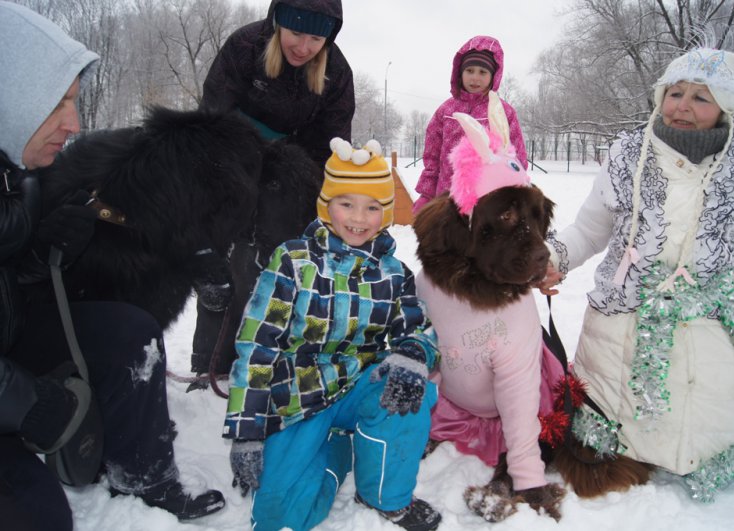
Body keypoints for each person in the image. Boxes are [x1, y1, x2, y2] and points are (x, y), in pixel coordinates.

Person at [0, 3, 224, 528]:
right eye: (58, 102)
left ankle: (144, 477)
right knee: (36, 516)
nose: (74, 124)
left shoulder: (16, 177)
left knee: (128, 332)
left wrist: (34, 258)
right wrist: (27, 402)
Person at [541, 47, 734, 502]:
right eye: (675, 92)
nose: (683, 105)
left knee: (698, 438)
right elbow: (588, 230)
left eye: (702, 97)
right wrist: (551, 260)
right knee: (602, 436)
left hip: (708, 338)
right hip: (617, 331)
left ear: (725, 106)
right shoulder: (626, 154)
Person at [224, 138, 441, 531]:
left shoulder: (394, 274)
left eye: (373, 207)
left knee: (411, 388)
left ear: (386, 214)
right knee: (281, 516)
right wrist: (247, 430)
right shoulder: (292, 262)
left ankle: (384, 496)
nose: (359, 218)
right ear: (326, 206)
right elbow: (258, 345)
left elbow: (418, 328)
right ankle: (337, 450)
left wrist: (414, 352)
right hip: (299, 397)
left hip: (361, 386)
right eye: (346, 203)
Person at [190, 0, 355, 384]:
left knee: (276, 266)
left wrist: (297, 196)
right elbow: (213, 115)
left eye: (316, 38)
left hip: (292, 177)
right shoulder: (244, 47)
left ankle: (270, 357)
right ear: (278, 22)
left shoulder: (337, 72)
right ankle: (209, 364)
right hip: (231, 162)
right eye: (297, 32)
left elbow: (330, 143)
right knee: (227, 263)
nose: (304, 46)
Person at [412, 35, 528, 214]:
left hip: (489, 201)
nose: (475, 78)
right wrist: (427, 195)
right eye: (470, 71)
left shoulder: (502, 112)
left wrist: (515, 194)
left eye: (483, 72)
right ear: (460, 72)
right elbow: (432, 157)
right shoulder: (446, 111)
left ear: (493, 76)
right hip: (447, 198)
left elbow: (517, 158)